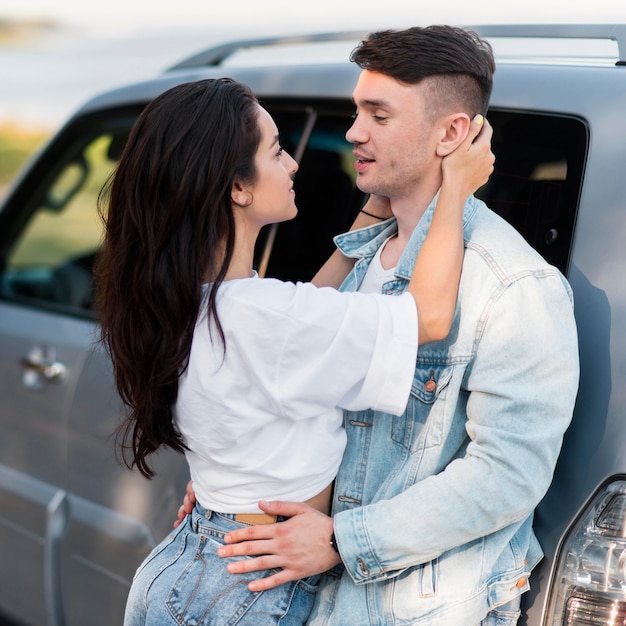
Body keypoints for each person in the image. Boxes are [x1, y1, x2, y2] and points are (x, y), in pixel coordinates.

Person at [192, 26, 580, 626]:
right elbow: (289, 384)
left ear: (451, 133)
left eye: (378, 114)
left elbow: (507, 475)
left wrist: (344, 540)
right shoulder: (363, 258)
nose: (353, 132)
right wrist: (235, 487)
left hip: (408, 610)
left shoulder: (512, 286)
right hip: (305, 598)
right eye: (355, 111)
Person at [95, 76, 493, 625]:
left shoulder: (191, 300)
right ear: (237, 188)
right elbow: (427, 316)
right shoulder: (264, 316)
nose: (294, 165)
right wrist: (455, 192)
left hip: (196, 561)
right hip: (248, 589)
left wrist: (378, 208)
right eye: (277, 151)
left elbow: (308, 311)